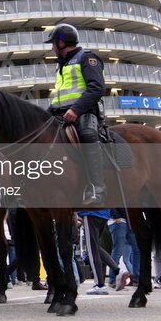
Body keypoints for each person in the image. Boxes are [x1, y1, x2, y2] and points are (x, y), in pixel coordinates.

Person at [46, 23, 107, 206]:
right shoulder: (61, 65)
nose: (52, 47)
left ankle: (97, 187)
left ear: (62, 43)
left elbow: (97, 88)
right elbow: (59, 94)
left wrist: (76, 109)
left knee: (88, 136)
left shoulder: (87, 58)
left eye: (53, 43)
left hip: (83, 113)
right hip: (60, 114)